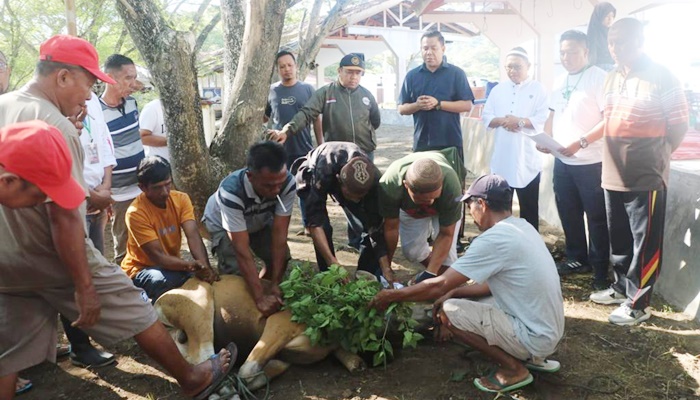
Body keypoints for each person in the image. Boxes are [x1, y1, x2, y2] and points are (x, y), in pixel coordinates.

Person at [0, 36, 236, 400]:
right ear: (63, 77)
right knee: (134, 305)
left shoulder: (6, 105)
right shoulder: (57, 128)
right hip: (52, 254)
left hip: (6, 258)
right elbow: (63, 219)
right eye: (89, 84)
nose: (90, 96)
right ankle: (192, 379)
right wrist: (84, 285)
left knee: (9, 350)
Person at [370, 174, 564, 394]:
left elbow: (439, 285)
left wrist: (393, 295)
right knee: (464, 299)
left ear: (481, 204)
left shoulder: (493, 240)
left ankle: (514, 368)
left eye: (470, 205)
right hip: (548, 331)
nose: (469, 214)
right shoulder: (522, 227)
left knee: (449, 312)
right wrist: (456, 292)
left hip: (534, 336)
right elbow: (491, 287)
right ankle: (533, 357)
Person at [589, 18, 688, 325]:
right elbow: (609, 119)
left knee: (643, 241)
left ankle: (639, 302)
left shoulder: (662, 76)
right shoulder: (611, 77)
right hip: (612, 171)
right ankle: (620, 288)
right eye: (612, 42)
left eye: (623, 42)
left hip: (646, 173)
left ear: (640, 42)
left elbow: (679, 125)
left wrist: (656, 156)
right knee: (617, 235)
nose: (616, 48)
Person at [539, 30, 610, 289]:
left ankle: (601, 268)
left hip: (591, 162)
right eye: (562, 52)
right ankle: (576, 258)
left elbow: (608, 119)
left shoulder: (599, 78)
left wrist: (581, 142)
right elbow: (551, 114)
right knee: (568, 213)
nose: (566, 57)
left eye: (572, 51)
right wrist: (545, 137)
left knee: (597, 217)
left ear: (586, 52)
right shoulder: (559, 80)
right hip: (562, 161)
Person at [203, 141, 295, 317]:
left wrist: (275, 284)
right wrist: (259, 297)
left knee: (281, 258)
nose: (276, 190)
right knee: (235, 271)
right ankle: (235, 311)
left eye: (279, 184)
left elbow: (279, 236)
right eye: (269, 186)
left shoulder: (288, 183)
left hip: (258, 219)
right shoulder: (230, 192)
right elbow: (241, 250)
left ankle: (263, 288)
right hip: (223, 224)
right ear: (250, 176)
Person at [122, 156, 219, 302]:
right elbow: (158, 257)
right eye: (157, 187)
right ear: (142, 187)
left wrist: (205, 267)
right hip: (141, 270)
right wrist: (191, 266)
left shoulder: (181, 199)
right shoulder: (136, 213)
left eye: (168, 184)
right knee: (164, 280)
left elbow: (193, 235)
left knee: (189, 278)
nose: (165, 192)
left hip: (171, 267)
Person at [294, 142, 394, 282]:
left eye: (360, 196)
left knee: (369, 224)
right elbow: (315, 223)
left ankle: (364, 274)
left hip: (351, 183)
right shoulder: (323, 172)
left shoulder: (374, 180)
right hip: (313, 171)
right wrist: (333, 263)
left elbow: (375, 228)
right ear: (338, 181)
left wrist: (386, 268)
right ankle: (330, 274)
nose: (355, 200)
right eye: (351, 195)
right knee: (324, 228)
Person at [482, 47, 548, 231]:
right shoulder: (498, 90)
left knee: (529, 210)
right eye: (508, 67)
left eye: (517, 67)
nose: (512, 71)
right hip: (502, 160)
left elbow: (542, 118)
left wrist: (518, 122)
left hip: (527, 159)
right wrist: (504, 121)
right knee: (501, 211)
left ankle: (530, 244)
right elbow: (486, 118)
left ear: (528, 66)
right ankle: (504, 243)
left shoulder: (538, 89)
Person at [268, 53, 381, 159]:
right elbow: (306, 113)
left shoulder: (367, 95)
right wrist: (286, 131)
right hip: (337, 153)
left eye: (358, 73)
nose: (354, 77)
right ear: (339, 71)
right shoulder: (325, 93)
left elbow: (375, 121)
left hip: (365, 152)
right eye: (349, 72)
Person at [378, 148, 463, 284]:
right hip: (410, 209)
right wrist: (386, 267)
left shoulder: (451, 186)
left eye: (434, 197)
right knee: (413, 251)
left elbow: (447, 234)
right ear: (406, 186)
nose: (430, 203)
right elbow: (391, 228)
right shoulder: (390, 184)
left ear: (441, 185)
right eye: (423, 200)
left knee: (447, 257)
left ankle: (443, 277)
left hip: (445, 206)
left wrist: (430, 274)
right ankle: (439, 275)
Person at [264, 50, 322, 233]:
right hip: (278, 151)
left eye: (290, 65)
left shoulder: (307, 89)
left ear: (296, 66)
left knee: (304, 188)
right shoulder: (271, 91)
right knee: (276, 190)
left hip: (303, 148)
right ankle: (276, 228)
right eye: (282, 66)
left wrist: (320, 144)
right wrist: (267, 132)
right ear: (277, 69)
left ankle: (307, 225)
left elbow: (316, 118)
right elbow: (263, 118)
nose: (286, 69)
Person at [398, 30, 474, 160]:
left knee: (452, 180)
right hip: (422, 143)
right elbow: (401, 108)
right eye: (425, 48)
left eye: (434, 48)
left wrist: (438, 104)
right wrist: (417, 105)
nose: (429, 52)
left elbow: (467, 105)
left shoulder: (456, 74)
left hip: (450, 143)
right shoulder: (412, 76)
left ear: (443, 49)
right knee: (422, 179)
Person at [100, 53, 144, 265]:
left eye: (134, 77)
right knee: (124, 247)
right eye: (128, 78)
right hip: (118, 193)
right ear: (109, 77)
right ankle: (126, 289)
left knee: (147, 240)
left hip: (143, 187)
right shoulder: (96, 113)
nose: (133, 84)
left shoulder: (133, 104)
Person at [587, 2, 616, 71]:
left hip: (612, 67)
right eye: (607, 16)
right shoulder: (594, 32)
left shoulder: (612, 31)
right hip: (597, 68)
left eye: (612, 16)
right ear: (600, 16)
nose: (610, 19)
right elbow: (592, 53)